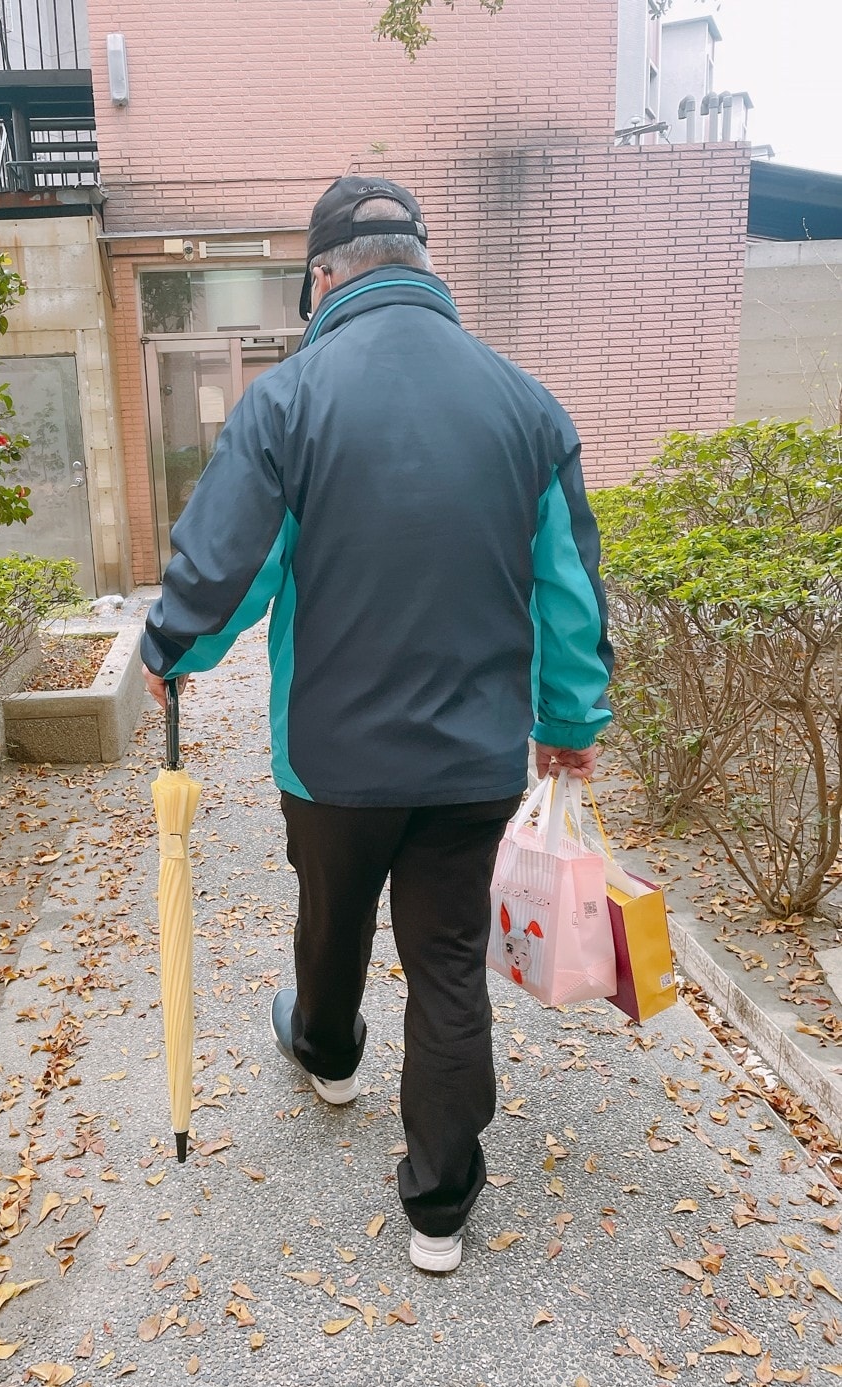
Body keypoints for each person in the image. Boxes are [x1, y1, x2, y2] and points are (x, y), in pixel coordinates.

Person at [141, 177, 612, 1273]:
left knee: (332, 911)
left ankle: (327, 1048)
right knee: (447, 962)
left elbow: (232, 567)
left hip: (332, 757)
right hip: (472, 762)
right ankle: (438, 1208)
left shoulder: (287, 401)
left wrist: (173, 650)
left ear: (321, 277)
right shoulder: (527, 408)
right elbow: (564, 594)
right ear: (420, 264)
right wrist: (567, 720)